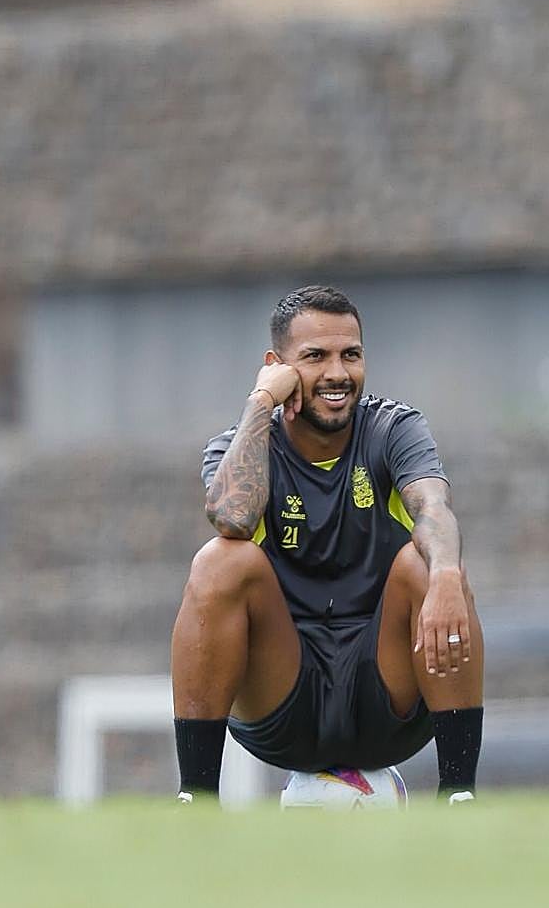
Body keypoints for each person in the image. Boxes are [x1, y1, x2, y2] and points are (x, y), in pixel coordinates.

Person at [171, 285, 484, 805]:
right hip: (283, 702)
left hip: (388, 699)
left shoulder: (393, 429)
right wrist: (261, 402)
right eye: (316, 357)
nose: (338, 373)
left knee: (428, 562)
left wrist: (448, 575)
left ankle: (459, 798)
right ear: (278, 366)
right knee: (221, 560)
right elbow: (231, 517)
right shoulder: (241, 444)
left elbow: (433, 508)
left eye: (351, 355)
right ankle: (195, 801)